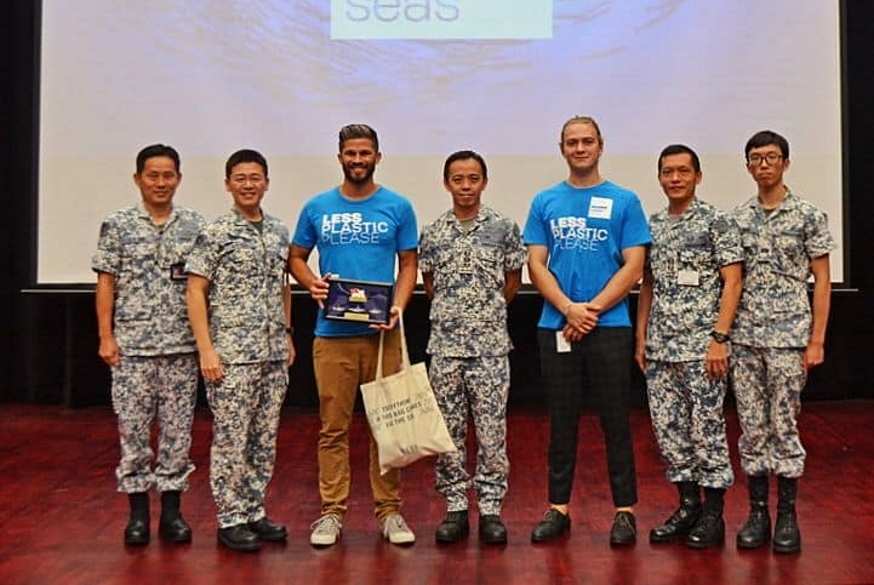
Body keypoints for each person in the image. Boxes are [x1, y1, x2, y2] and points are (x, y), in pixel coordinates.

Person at [522, 115, 651, 546]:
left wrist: (590, 310)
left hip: (610, 326)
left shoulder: (624, 200)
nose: (580, 148)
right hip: (555, 325)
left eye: (587, 141)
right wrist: (567, 309)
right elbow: (535, 263)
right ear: (562, 148)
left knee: (616, 421)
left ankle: (625, 511)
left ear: (601, 146)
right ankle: (558, 507)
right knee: (561, 421)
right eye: (572, 142)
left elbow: (634, 265)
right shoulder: (545, 201)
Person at [289, 124, 419, 547]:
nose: (358, 160)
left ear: (377, 157)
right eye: (351, 153)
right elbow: (295, 257)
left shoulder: (398, 206)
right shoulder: (317, 207)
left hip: (383, 335)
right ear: (340, 156)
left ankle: (390, 512)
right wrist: (310, 282)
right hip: (332, 336)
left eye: (365, 153)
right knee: (333, 428)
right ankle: (331, 513)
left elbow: (408, 265)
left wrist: (399, 306)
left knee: (388, 426)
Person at [92, 144, 205, 546]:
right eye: (153, 175)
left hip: (181, 349)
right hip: (133, 350)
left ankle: (172, 515)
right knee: (134, 435)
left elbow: (202, 287)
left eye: (168, 175)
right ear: (138, 178)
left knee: (178, 435)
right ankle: (137, 515)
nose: (161, 182)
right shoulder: (118, 224)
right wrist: (106, 336)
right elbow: (106, 282)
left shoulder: (195, 226)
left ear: (179, 178)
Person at [730, 130, 834, 554]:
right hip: (746, 339)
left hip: (790, 338)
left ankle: (788, 515)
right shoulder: (738, 218)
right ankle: (758, 513)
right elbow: (731, 280)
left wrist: (817, 340)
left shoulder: (808, 215)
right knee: (752, 428)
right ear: (748, 165)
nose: (763, 165)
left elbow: (823, 280)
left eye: (771, 157)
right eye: (755, 158)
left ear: (786, 163)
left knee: (785, 427)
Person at [186, 149, 295, 552]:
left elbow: (282, 285)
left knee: (263, 439)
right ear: (228, 183)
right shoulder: (215, 232)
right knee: (231, 439)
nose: (249, 184)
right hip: (231, 354)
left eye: (255, 177)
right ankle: (229, 517)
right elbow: (195, 290)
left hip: (270, 353)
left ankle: (253, 510)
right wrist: (206, 350)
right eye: (240, 178)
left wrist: (286, 332)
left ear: (266, 182)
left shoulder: (279, 231)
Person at [634, 144, 743, 549]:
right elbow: (649, 284)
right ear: (659, 177)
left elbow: (733, 282)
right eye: (668, 172)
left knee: (707, 431)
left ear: (698, 176)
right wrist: (641, 336)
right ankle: (687, 507)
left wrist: (719, 338)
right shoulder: (654, 225)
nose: (675, 178)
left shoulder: (717, 222)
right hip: (662, 349)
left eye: (683, 171)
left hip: (703, 349)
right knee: (670, 431)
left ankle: (713, 514)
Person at [418, 150, 527, 545]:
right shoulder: (433, 232)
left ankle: (492, 507)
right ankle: (455, 506)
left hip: (490, 348)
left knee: (492, 431)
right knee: (447, 432)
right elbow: (430, 286)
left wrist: (485, 312)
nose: (466, 186)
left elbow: (512, 281)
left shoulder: (503, 227)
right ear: (447, 183)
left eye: (473, 178)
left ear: (484, 181)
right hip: (445, 347)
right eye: (458, 179)